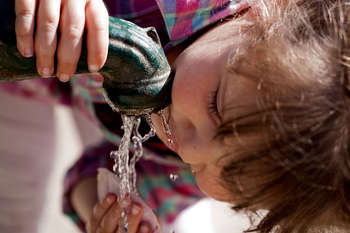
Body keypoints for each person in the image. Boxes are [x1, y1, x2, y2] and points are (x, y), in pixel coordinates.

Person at [13, 0, 350, 233]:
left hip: (44, 89)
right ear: (263, 12)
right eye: (215, 105)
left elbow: (90, 171)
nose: (187, 149)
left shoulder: (210, 163)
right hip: (19, 41)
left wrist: (106, 209)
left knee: (15, 203)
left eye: (232, 177)